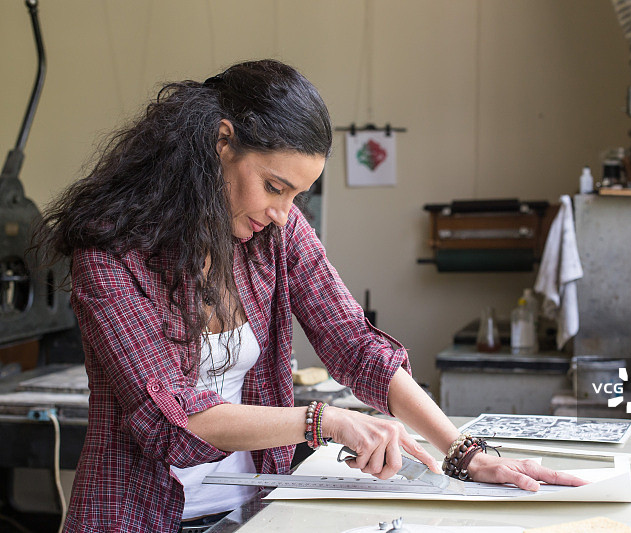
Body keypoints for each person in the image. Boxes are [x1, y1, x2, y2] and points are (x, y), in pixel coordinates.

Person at [35, 59, 585, 533]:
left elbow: (353, 343)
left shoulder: (274, 231)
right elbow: (179, 420)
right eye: (275, 186)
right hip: (134, 515)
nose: (284, 211)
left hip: (254, 512)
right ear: (220, 143)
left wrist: (463, 452)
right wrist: (325, 420)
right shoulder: (112, 253)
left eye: (297, 194)